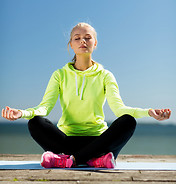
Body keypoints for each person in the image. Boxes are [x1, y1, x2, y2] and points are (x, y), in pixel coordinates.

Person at [2, 22, 171, 169]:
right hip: (67, 140)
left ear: (95, 43)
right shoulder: (59, 75)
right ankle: (93, 160)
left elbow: (120, 109)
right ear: (71, 45)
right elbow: (44, 107)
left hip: (99, 141)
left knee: (128, 121)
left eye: (88, 37)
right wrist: (22, 113)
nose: (82, 41)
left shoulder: (105, 76)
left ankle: (71, 160)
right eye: (77, 38)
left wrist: (148, 112)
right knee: (36, 122)